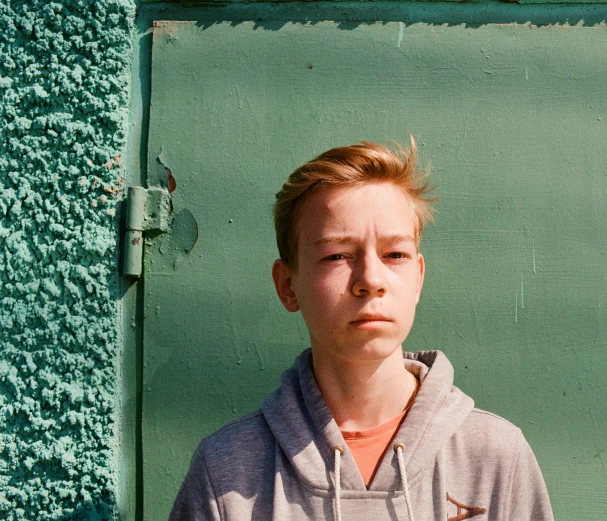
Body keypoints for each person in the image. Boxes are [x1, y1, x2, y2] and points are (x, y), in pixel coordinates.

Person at [169, 137, 554, 521]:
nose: (370, 279)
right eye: (336, 255)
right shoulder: (226, 473)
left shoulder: (495, 457)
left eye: (394, 255)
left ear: (418, 278)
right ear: (288, 285)